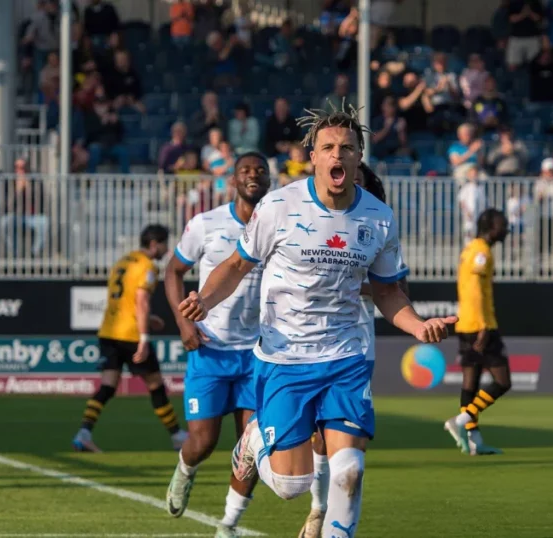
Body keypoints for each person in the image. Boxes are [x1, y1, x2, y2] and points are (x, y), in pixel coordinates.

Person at [178, 106, 456, 537]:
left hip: (346, 355)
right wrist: (204, 299)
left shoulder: (379, 218)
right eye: (328, 147)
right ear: (313, 156)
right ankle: (254, 439)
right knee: (292, 485)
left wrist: (419, 326)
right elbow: (235, 266)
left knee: (349, 469)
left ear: (359, 155)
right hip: (284, 357)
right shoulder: (278, 206)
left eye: (347, 148)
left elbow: (386, 290)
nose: (337, 155)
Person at [163, 153, 271, 538]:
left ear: (270, 180)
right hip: (210, 348)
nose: (253, 175)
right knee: (203, 442)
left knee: (250, 449)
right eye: (246, 170)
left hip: (257, 353)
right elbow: (173, 271)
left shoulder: (281, 225)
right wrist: (183, 323)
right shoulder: (206, 224)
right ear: (233, 181)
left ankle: (228, 523)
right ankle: (185, 469)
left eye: (260, 170)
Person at [299, 161, 394, 538]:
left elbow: (392, 289)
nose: (348, 184)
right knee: (314, 437)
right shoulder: (313, 220)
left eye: (358, 181)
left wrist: (351, 283)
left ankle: (329, 520)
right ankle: (317, 507)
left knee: (350, 450)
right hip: (308, 344)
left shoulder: (377, 226)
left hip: (356, 344)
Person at [73, 225, 187, 453]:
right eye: (165, 243)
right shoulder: (148, 267)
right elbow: (141, 300)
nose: (167, 248)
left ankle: (83, 433)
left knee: (107, 386)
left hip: (109, 331)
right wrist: (144, 338)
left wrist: (149, 317)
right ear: (155, 244)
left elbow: (126, 300)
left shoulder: (123, 261)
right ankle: (177, 436)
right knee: (155, 385)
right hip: (131, 335)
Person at [442, 208, 509, 456]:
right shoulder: (481, 251)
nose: (507, 230)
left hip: (465, 324)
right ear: (491, 228)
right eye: (503, 225)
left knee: (471, 383)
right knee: (503, 381)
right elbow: (474, 291)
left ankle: (474, 441)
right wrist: (483, 325)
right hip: (480, 325)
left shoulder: (471, 248)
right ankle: (460, 421)